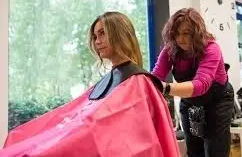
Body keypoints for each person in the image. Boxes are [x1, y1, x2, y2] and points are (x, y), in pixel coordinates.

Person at [1, 12, 180, 157]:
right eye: (95, 36)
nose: (97, 41)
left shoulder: (139, 82)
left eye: (102, 33)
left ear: (120, 33)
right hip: (82, 141)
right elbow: (77, 116)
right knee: (18, 138)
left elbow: (122, 138)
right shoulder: (111, 80)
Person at [152, 8, 234, 157]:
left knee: (215, 151)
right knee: (194, 151)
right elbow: (156, 76)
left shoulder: (212, 49)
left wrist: (166, 88)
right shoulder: (170, 50)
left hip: (218, 102)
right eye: (176, 33)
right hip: (190, 102)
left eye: (186, 33)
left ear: (197, 32)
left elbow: (201, 84)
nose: (180, 39)